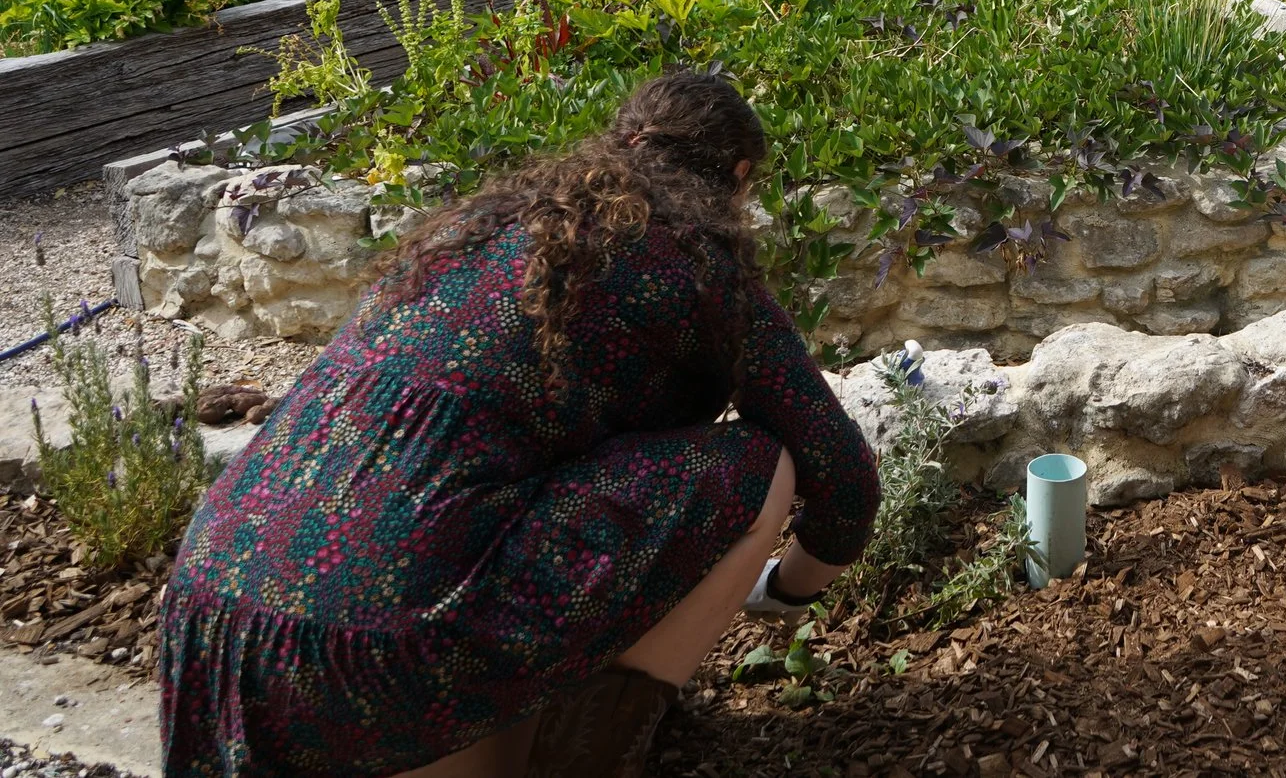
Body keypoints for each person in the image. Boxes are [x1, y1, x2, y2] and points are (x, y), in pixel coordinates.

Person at [160, 73, 881, 778]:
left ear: (622, 140)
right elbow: (842, 476)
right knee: (757, 467)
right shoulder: (691, 260)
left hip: (210, 625)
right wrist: (786, 589)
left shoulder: (476, 226)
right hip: (377, 654)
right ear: (740, 174)